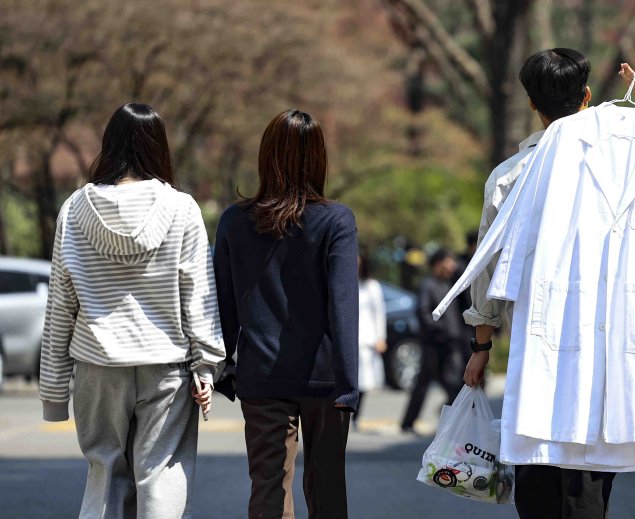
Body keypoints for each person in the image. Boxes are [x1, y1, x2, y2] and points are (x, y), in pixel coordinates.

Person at [458, 51, 635, 519]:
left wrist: (481, 346)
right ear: (588, 97)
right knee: (588, 484)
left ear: (533, 103)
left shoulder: (511, 176)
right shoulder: (633, 158)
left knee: (537, 476)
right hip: (606, 354)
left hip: (534, 354)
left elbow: (487, 273)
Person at [39, 103, 225, 518]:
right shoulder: (182, 209)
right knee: (161, 476)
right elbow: (198, 297)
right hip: (166, 368)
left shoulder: (74, 209)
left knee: (104, 473)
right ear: (158, 148)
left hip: (97, 364)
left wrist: (54, 394)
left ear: (109, 145)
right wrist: (206, 367)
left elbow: (61, 306)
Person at [213, 109, 358, 519]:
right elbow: (343, 306)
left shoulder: (234, 221)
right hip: (325, 376)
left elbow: (223, 301)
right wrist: (349, 384)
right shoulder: (336, 220)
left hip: (260, 374)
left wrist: (222, 367)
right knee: (327, 488)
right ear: (318, 158)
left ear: (266, 155)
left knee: (268, 489)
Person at [400, 248, 466, 435]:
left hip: (450, 345)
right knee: (423, 384)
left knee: (454, 385)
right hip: (434, 344)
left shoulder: (448, 286)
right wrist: (440, 331)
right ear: (438, 264)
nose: (452, 266)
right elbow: (424, 313)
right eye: (448, 261)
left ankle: (447, 419)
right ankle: (407, 422)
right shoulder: (428, 285)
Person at [354, 249, 387, 430]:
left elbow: (379, 313)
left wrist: (381, 337)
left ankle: (356, 415)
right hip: (349, 338)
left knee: (364, 381)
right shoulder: (344, 282)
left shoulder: (372, 286)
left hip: (367, 338)